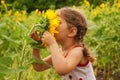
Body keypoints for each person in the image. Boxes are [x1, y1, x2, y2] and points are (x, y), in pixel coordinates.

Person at [31, 7, 96, 80]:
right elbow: (39, 66)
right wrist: (36, 46)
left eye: (58, 22)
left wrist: (52, 44)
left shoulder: (78, 51)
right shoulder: (61, 52)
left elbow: (62, 70)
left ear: (72, 32)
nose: (53, 25)